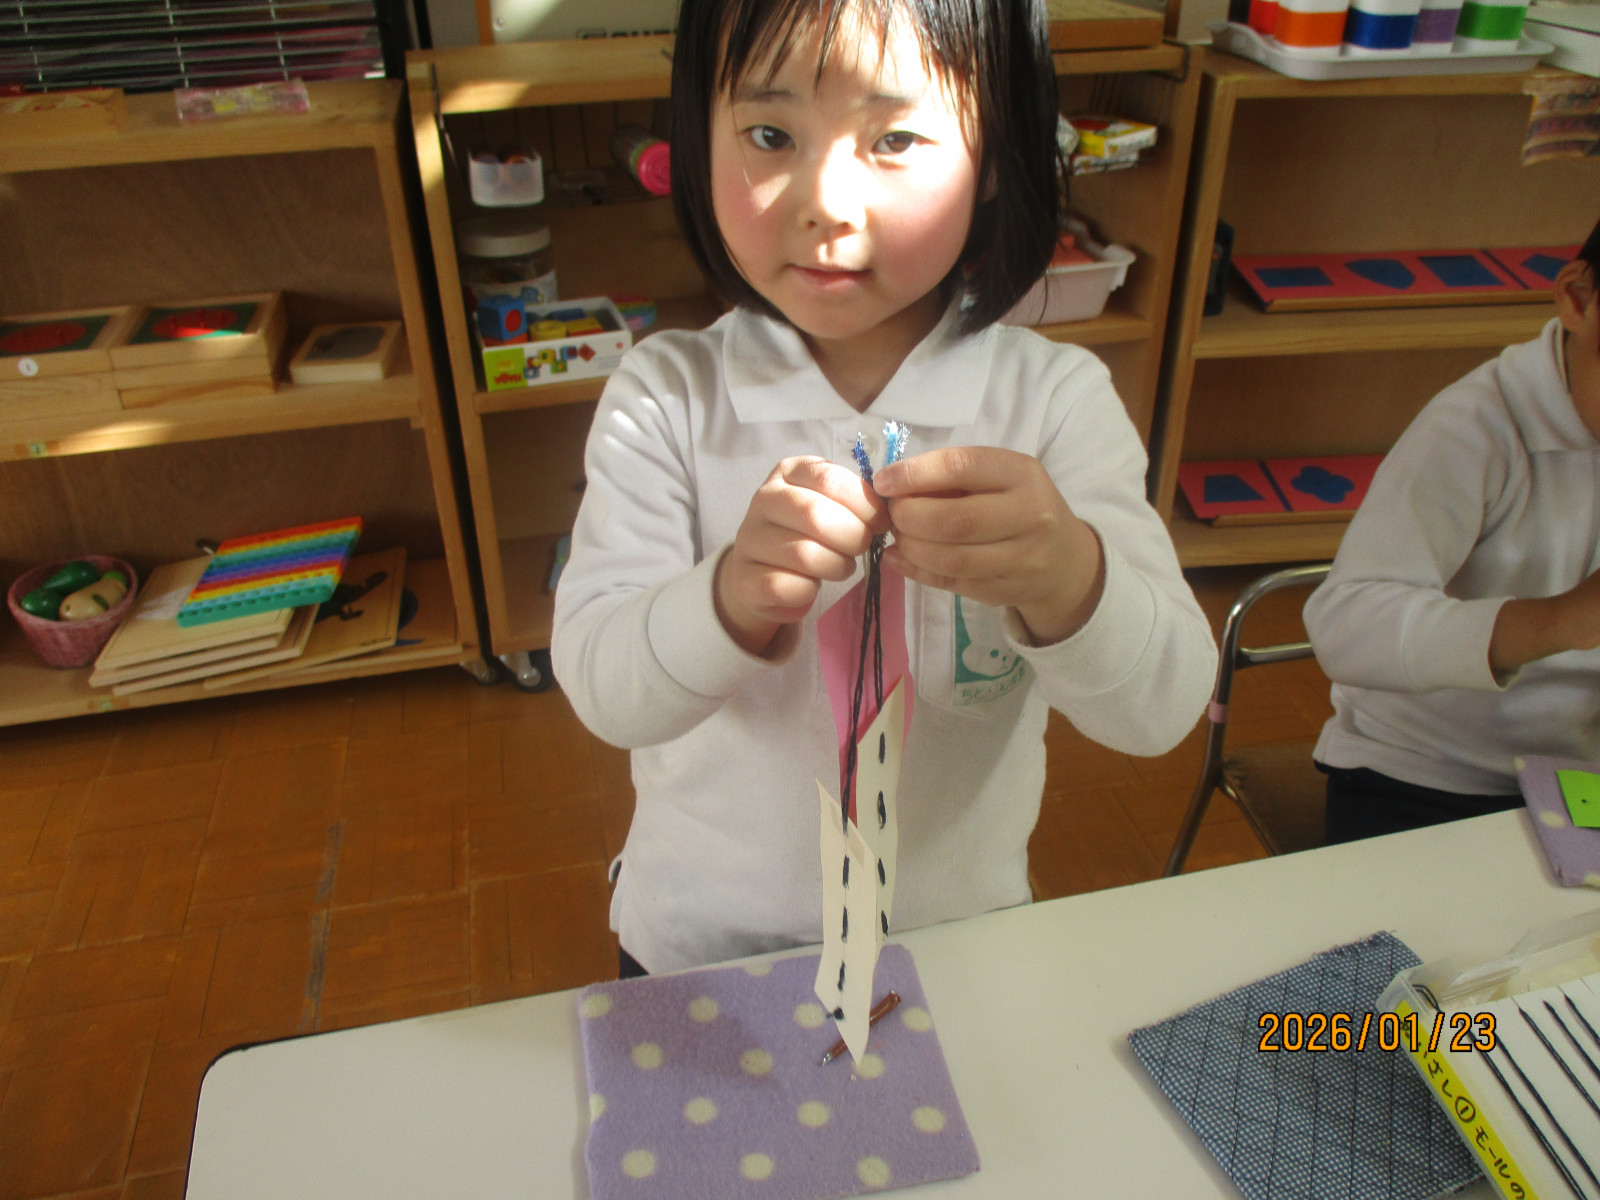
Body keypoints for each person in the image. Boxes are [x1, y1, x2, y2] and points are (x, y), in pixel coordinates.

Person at [551, 0, 1216, 976]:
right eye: (770, 135)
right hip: (699, 951)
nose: (825, 201)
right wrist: (728, 600)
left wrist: (1071, 578)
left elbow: (1161, 710)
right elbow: (607, 691)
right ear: (696, 139)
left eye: (894, 139)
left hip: (959, 954)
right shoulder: (666, 399)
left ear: (996, 154)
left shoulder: (1052, 402)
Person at [1305, 216, 1600, 844]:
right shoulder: (1476, 428)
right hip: (1425, 774)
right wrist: (1560, 621)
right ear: (1580, 298)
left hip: (1583, 778)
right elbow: (1345, 623)